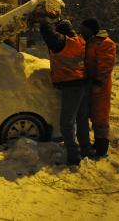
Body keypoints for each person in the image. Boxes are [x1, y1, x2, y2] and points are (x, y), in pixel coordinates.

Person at [40, 19, 92, 166]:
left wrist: (45, 20)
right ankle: (85, 148)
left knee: (67, 122)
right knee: (81, 119)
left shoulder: (64, 43)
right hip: (82, 83)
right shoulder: (79, 40)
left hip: (72, 86)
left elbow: (48, 34)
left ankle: (73, 155)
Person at [80, 18, 116, 158]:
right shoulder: (88, 42)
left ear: (90, 30)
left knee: (100, 116)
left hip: (100, 86)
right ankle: (95, 143)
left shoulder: (105, 44)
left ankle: (101, 148)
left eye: (83, 29)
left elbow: (106, 66)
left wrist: (98, 83)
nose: (81, 31)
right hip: (89, 84)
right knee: (90, 115)